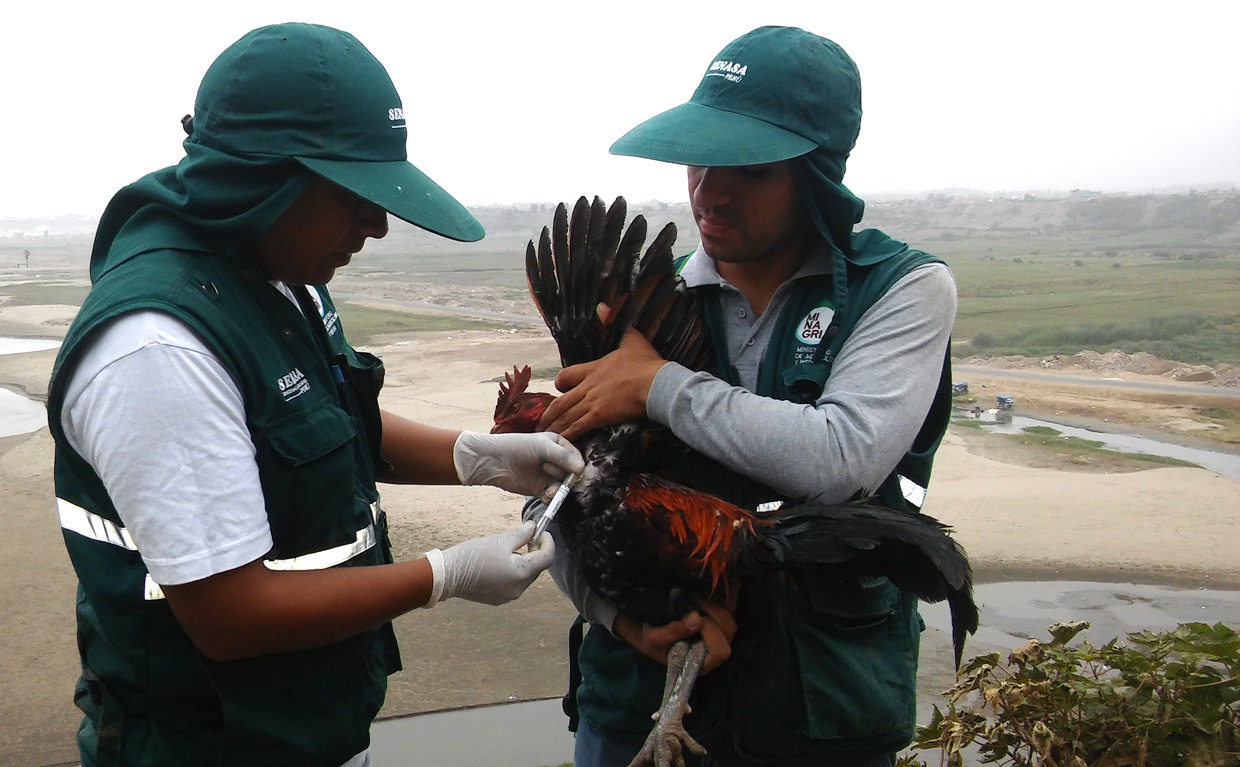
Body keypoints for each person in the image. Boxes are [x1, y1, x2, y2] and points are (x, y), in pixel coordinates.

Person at [46, 23, 583, 767]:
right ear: (265, 177)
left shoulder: (279, 267)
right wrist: (445, 574)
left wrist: (478, 459)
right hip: (207, 746)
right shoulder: (158, 348)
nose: (379, 224)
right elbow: (232, 615)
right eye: (352, 195)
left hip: (308, 730)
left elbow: (329, 424)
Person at [538, 26, 957, 766]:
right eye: (700, 158)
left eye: (748, 167)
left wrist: (657, 385)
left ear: (817, 175)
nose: (709, 188)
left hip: (819, 714)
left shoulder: (903, 290)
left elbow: (841, 457)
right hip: (634, 707)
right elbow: (557, 498)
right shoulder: (644, 297)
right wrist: (623, 621)